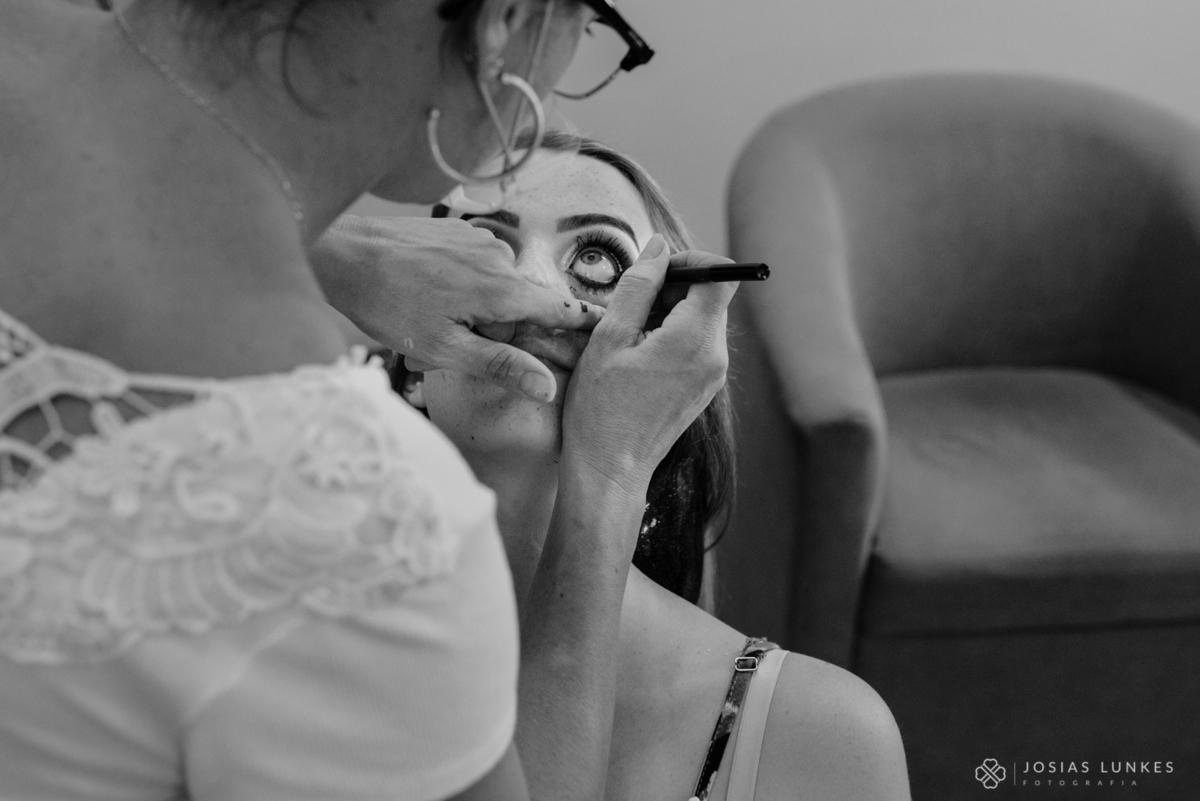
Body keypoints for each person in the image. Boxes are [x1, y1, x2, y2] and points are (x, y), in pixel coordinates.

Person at [0, 2, 735, 800]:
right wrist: (613, 473)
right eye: (590, 25)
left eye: (595, 257)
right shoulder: (358, 509)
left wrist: (327, 248)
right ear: (507, 21)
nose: (527, 286)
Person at [390, 131, 913, 801]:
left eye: (599, 260)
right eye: (488, 248)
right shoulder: (303, 651)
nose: (530, 284)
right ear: (409, 364)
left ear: (673, 376)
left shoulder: (825, 734)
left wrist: (609, 469)